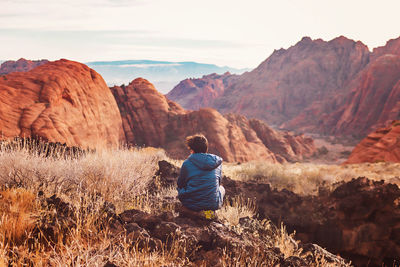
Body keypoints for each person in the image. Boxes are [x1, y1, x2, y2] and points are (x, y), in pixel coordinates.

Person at [177, 134, 225, 217]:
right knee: (221, 188)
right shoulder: (217, 163)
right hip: (212, 204)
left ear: (192, 150)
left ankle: (194, 212)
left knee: (181, 188)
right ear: (206, 148)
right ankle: (209, 213)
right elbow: (218, 183)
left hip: (191, 204)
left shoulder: (187, 163)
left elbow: (180, 184)